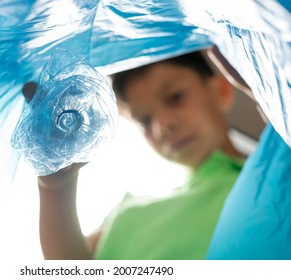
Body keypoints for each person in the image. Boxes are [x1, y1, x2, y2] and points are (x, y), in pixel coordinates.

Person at [37, 50, 246, 260]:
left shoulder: (271, 175)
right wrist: (56, 188)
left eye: (175, 97)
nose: (162, 126)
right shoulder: (128, 214)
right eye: (145, 120)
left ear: (221, 91)